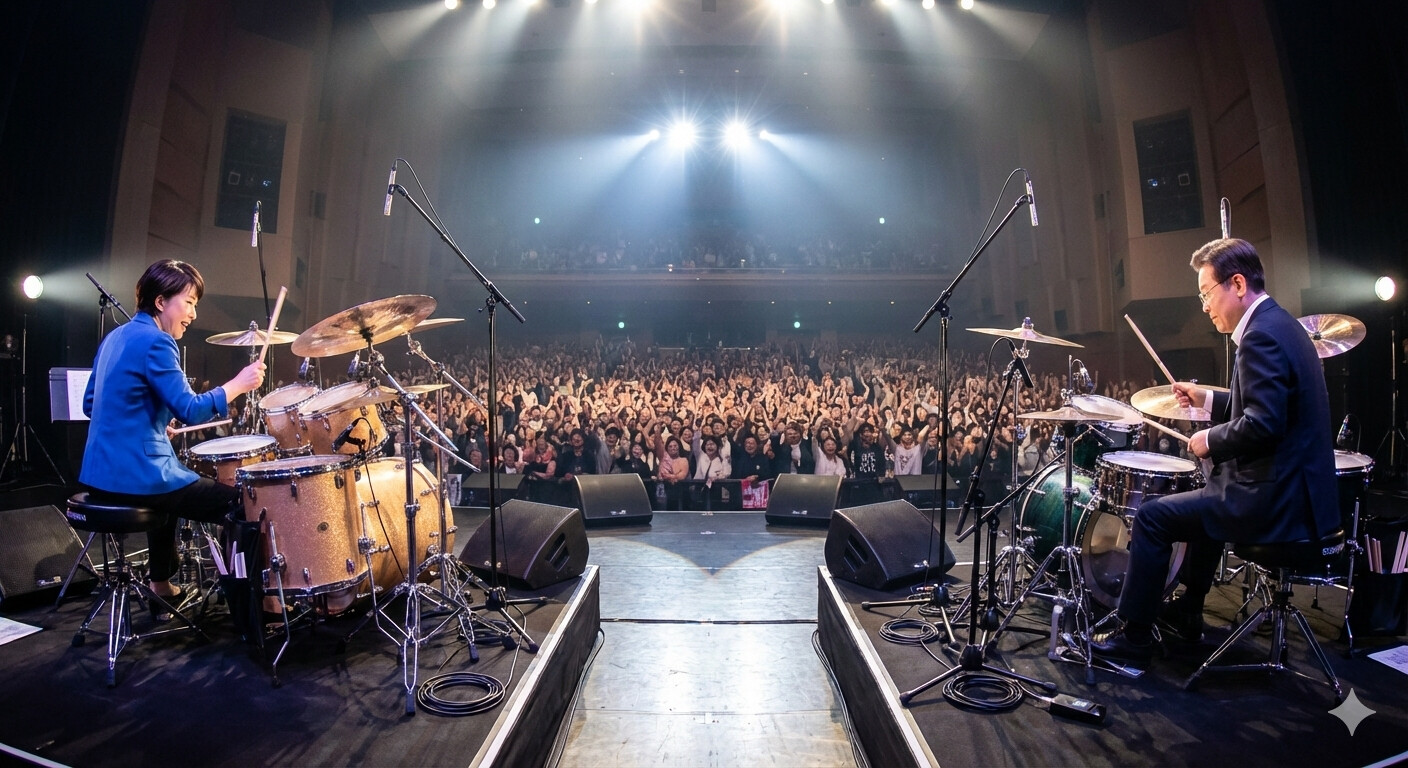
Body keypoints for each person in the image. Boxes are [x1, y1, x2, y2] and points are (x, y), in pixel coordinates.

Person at [1091, 238, 1338, 662]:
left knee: (1152, 517)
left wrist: (1210, 440)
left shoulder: (1259, 337)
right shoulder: (1283, 325)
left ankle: (1134, 636)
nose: (1204, 306)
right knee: (1204, 499)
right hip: (1302, 494)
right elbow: (1269, 405)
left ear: (1237, 284)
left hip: (1276, 501)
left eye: (1206, 293)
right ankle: (1189, 612)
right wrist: (1206, 399)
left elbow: (1264, 423)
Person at [79, 260, 266, 619]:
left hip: (98, 475)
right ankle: (256, 606)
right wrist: (238, 385)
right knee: (244, 506)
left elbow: (92, 404)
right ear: (161, 301)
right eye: (190, 302)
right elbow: (191, 410)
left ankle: (161, 586)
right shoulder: (158, 342)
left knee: (169, 498)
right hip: (137, 475)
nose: (194, 314)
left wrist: (150, 422)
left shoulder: (114, 338)